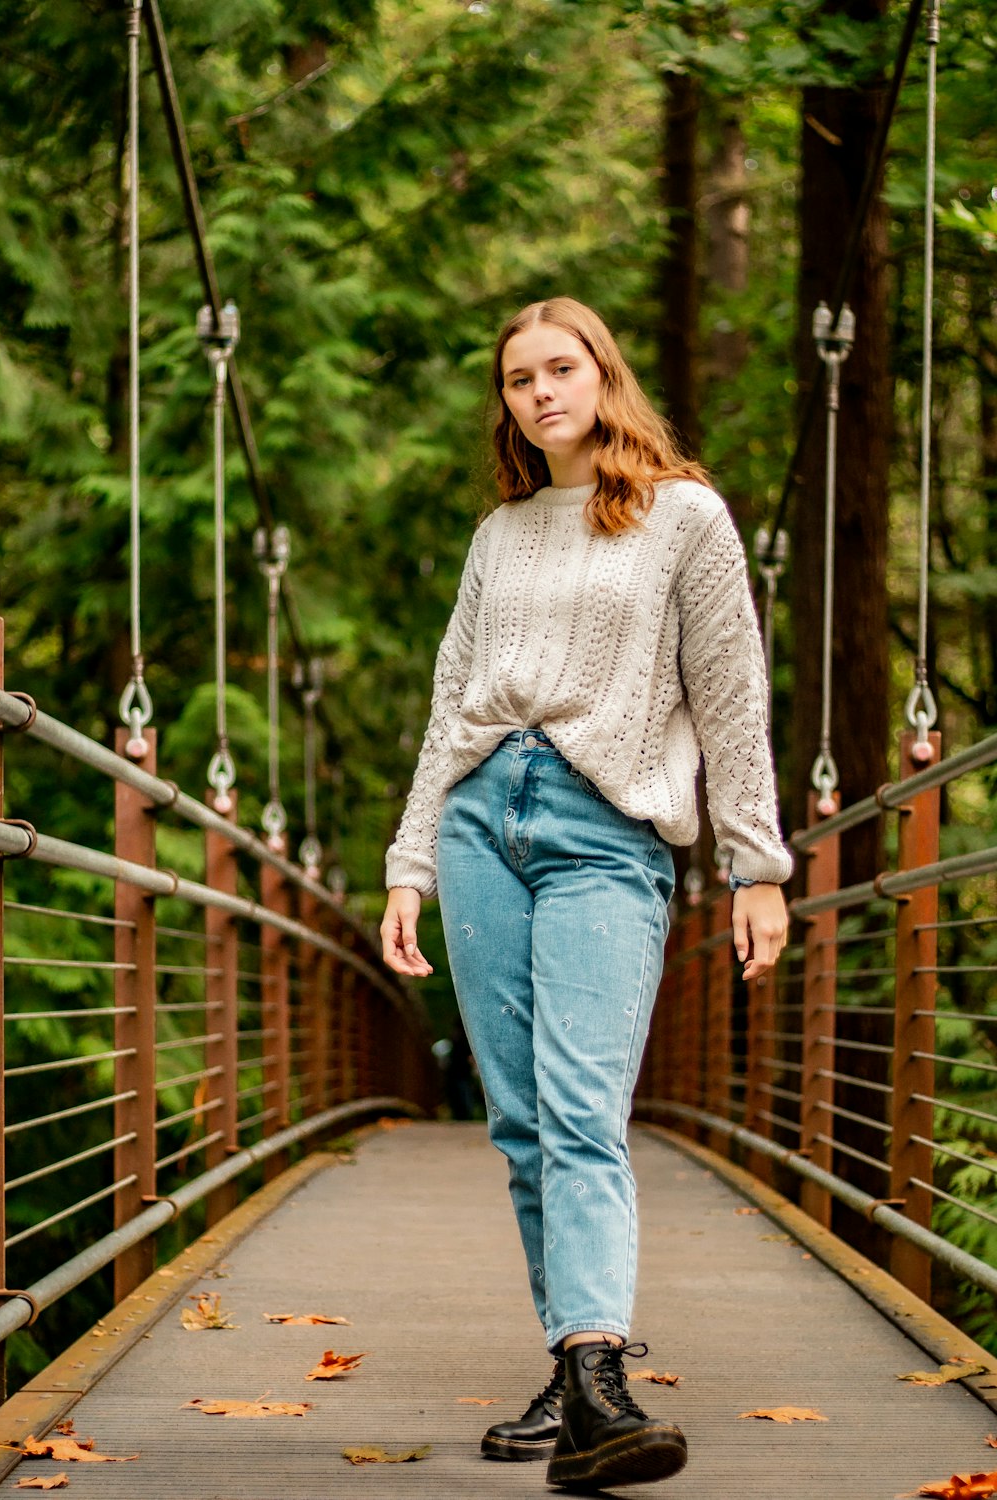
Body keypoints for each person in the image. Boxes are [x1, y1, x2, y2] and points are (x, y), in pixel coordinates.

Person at [380, 296, 791, 1489]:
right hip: (477, 826)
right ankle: (575, 1371)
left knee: (582, 1110)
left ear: (605, 377)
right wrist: (411, 863)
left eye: (561, 368)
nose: (541, 392)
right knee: (520, 1125)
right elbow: (448, 708)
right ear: (506, 403)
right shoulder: (497, 536)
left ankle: (602, 1382)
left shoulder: (686, 520)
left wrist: (755, 866)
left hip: (602, 830)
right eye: (518, 379)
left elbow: (730, 696)